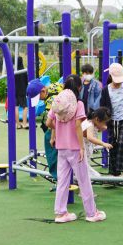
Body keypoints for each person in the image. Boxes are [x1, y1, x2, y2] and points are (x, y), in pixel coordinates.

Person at [47, 75, 105, 223]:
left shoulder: (58, 101)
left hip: (61, 148)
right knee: (84, 180)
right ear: (79, 87)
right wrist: (81, 147)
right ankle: (91, 213)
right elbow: (78, 126)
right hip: (74, 148)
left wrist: (58, 132)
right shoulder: (78, 103)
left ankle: (61, 213)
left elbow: (49, 122)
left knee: (62, 181)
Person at [27, 77, 64, 181]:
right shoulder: (55, 86)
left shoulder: (51, 101)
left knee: (52, 152)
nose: (39, 100)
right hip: (66, 123)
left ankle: (58, 178)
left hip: (59, 127)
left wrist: (53, 136)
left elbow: (53, 121)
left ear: (43, 91)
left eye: (39, 97)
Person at [82, 106, 112, 178]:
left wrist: (102, 127)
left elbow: (97, 130)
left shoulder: (92, 123)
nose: (105, 125)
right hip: (81, 149)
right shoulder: (89, 125)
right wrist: (103, 143)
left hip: (85, 148)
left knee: (85, 166)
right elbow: (90, 137)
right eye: (104, 122)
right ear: (97, 119)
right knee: (84, 168)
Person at [14, 56, 29, 129]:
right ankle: (24, 123)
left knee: (16, 107)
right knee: (25, 107)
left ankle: (18, 124)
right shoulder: (24, 71)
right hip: (22, 91)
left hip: (14, 91)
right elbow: (27, 81)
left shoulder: (13, 71)